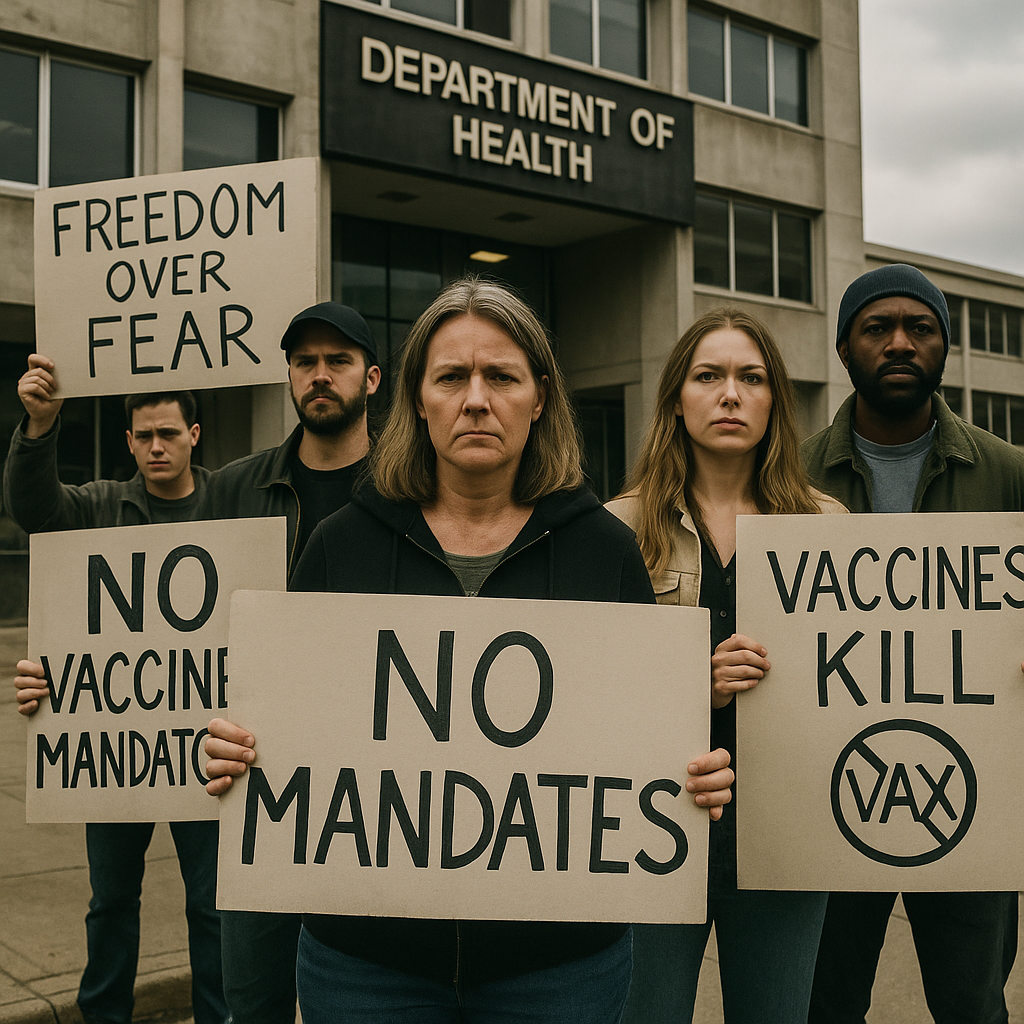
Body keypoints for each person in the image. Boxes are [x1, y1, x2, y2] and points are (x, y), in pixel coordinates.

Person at [203, 277, 735, 1023]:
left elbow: (642, 740)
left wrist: (691, 774)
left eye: (502, 377)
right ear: (417, 398)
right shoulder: (341, 546)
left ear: (540, 397)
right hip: (365, 968)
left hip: (562, 971)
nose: (476, 399)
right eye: (451, 376)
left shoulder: (604, 551)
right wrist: (237, 746)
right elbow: (291, 724)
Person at [606, 308, 845, 1023]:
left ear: (776, 401)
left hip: (789, 827)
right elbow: (589, 695)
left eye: (752, 377)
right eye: (708, 376)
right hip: (655, 824)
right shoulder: (619, 527)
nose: (731, 394)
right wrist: (693, 688)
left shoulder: (827, 526)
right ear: (677, 398)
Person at [804, 263, 1024, 1024]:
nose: (899, 342)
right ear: (843, 349)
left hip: (971, 798)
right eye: (877, 328)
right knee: (824, 1002)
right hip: (827, 795)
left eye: (920, 328)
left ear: (944, 347)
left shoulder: (1010, 475)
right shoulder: (790, 478)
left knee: (972, 1003)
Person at [5, 359, 226, 1024]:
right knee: (110, 901)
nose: (157, 446)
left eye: (168, 433)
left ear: (194, 434)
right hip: (115, 743)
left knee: (213, 905)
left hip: (204, 746)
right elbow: (32, 508)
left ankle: (221, 1017)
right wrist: (40, 426)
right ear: (128, 442)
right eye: (143, 436)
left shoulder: (228, 504)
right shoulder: (99, 504)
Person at [196, 300, 381, 1024]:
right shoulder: (231, 490)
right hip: (257, 791)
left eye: (337, 361)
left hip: (372, 795)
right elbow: (164, 627)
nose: (319, 375)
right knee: (256, 1001)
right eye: (304, 362)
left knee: (366, 1000)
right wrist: (69, 678)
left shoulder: (415, 490)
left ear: (371, 379)